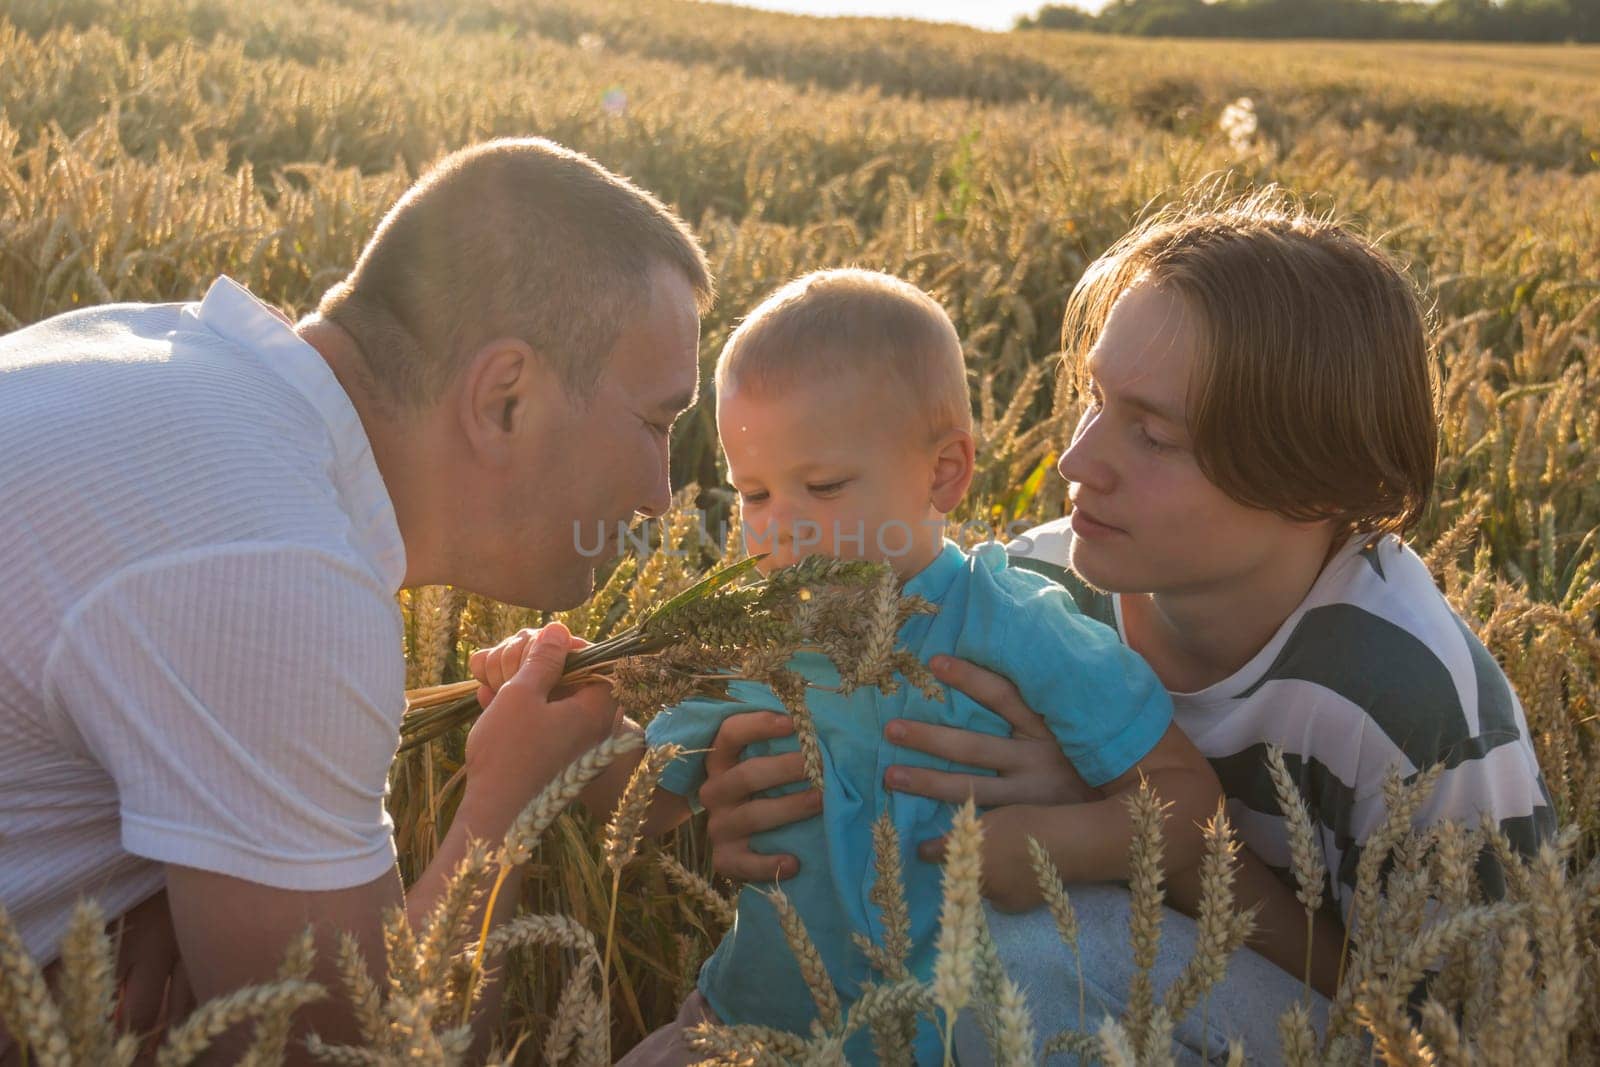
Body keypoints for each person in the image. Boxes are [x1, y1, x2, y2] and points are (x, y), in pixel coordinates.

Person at [690, 194, 1557, 1061]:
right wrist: (779, 803)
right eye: (1095, 399)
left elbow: (1469, 1014)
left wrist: (1126, 833)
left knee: (1025, 960)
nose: (1076, 461)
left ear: (1315, 479)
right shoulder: (1038, 585)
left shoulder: (1417, 703)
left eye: (1150, 434)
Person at [0, 137, 712, 1063]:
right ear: (506, 398)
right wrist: (511, 804)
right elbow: (360, 1057)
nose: (665, 492)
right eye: (657, 424)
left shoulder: (159, 352)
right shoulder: (278, 566)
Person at [465, 268, 1220, 1064]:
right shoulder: (750, 639)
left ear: (945, 472)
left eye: (821, 487)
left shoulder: (1018, 627)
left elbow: (1185, 796)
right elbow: (642, 803)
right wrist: (564, 706)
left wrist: (1052, 844)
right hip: (749, 1027)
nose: (779, 529)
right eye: (751, 495)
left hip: (957, 1041)